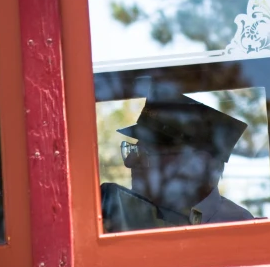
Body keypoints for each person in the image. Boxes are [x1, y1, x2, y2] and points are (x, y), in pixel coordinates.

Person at [101, 94, 254, 232]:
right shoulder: (122, 217)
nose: (129, 161)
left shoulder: (237, 226)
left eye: (145, 153)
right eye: (133, 150)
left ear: (196, 166)